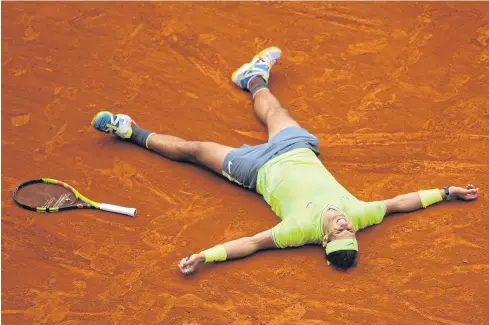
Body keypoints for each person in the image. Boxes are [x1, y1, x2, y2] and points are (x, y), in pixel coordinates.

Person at [91, 47, 479, 274]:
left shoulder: (298, 231)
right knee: (275, 112)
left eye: (341, 234)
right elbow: (400, 203)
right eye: (351, 233)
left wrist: (206, 256)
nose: (347, 227)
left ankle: (129, 131)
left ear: (325, 239)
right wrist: (448, 192)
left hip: (255, 169)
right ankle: (253, 77)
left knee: (195, 150)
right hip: (295, 148)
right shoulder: (362, 214)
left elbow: (252, 244)